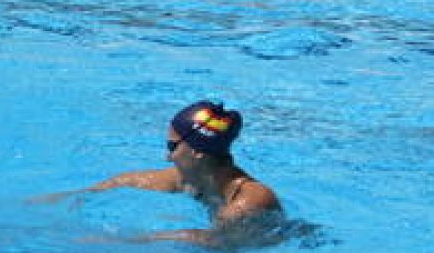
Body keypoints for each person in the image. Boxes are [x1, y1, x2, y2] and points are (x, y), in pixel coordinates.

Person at [44, 101, 282, 245]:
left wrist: (129, 241)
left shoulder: (250, 199)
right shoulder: (196, 177)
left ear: (198, 152)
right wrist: (77, 195)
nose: (168, 157)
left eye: (172, 147)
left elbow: (215, 241)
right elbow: (130, 180)